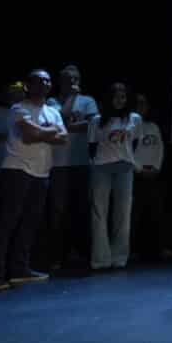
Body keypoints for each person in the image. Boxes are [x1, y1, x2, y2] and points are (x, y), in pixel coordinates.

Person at [0, 70, 67, 291]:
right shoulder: (18, 109)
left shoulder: (53, 111)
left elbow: (63, 138)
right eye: (39, 80)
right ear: (28, 85)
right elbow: (28, 136)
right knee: (7, 224)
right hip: (17, 171)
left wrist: (41, 132)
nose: (44, 83)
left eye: (47, 80)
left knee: (29, 224)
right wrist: (51, 131)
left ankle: (19, 269)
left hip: (42, 173)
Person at [46, 65, 99, 271]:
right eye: (69, 79)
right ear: (61, 81)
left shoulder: (88, 100)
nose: (73, 82)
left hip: (82, 162)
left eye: (76, 78)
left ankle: (81, 253)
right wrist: (71, 102)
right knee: (58, 211)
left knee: (81, 209)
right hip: (58, 164)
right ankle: (57, 256)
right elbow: (59, 119)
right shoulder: (52, 102)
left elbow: (93, 124)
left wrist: (67, 126)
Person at [87, 82, 142, 270]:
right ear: (108, 99)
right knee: (99, 213)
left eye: (123, 97)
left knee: (123, 213)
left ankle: (119, 257)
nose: (119, 100)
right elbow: (91, 146)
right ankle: (100, 259)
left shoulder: (134, 118)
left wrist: (125, 157)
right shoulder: (97, 120)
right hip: (101, 168)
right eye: (115, 97)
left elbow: (134, 143)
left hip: (124, 168)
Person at [130, 93, 172, 261]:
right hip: (136, 174)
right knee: (134, 214)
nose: (142, 107)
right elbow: (127, 150)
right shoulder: (130, 126)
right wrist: (139, 169)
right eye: (139, 104)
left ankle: (159, 248)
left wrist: (156, 167)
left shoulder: (153, 126)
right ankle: (130, 249)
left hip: (153, 174)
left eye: (144, 104)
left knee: (156, 212)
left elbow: (159, 148)